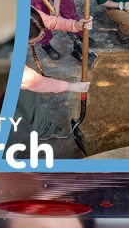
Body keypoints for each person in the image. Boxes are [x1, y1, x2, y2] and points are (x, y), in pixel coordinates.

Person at [16, 8, 92, 141]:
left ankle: (41, 127)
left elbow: (48, 21)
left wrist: (75, 25)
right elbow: (34, 81)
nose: (33, 45)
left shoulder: (26, 14)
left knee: (26, 96)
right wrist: (71, 86)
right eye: (30, 43)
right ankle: (43, 131)